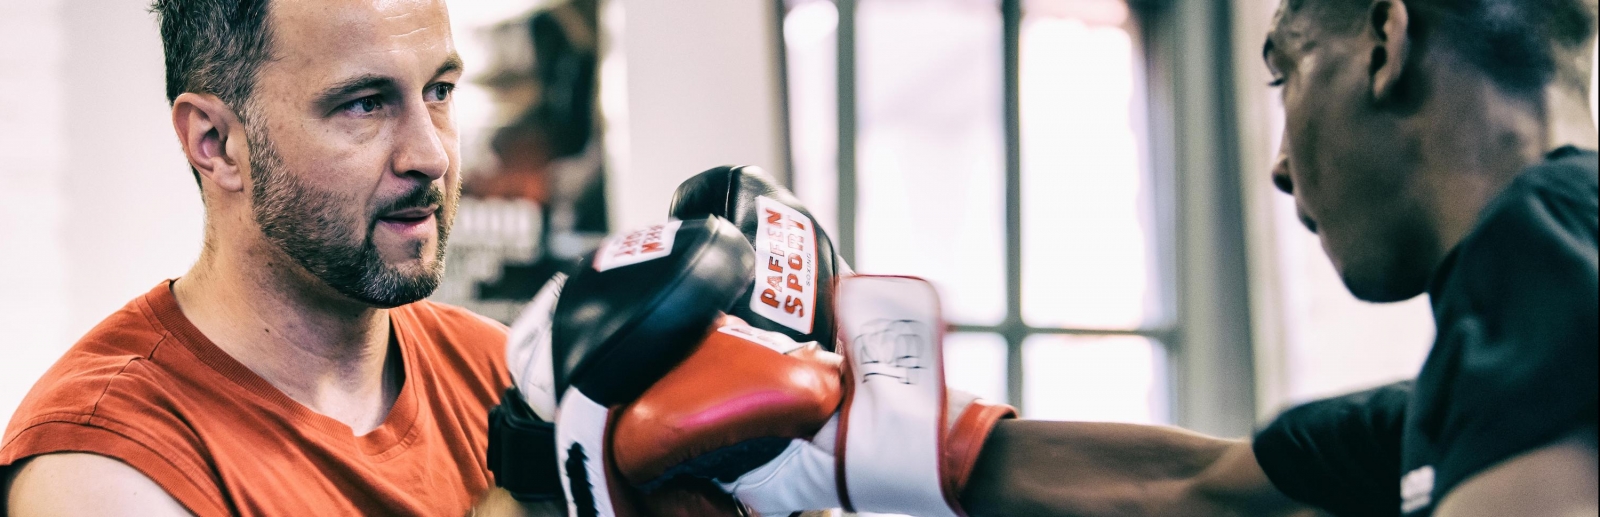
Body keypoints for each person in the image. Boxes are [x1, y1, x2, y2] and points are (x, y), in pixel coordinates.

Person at [580, 0, 1597, 516]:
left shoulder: (1541, 236)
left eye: (1284, 71)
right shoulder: (1490, 374)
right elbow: (1200, 487)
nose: (1282, 165)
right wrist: (843, 443)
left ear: (1385, 42)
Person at [0, 0, 554, 514]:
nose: (431, 156)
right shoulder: (108, 462)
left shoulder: (503, 375)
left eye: (439, 91)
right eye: (364, 104)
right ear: (215, 142)